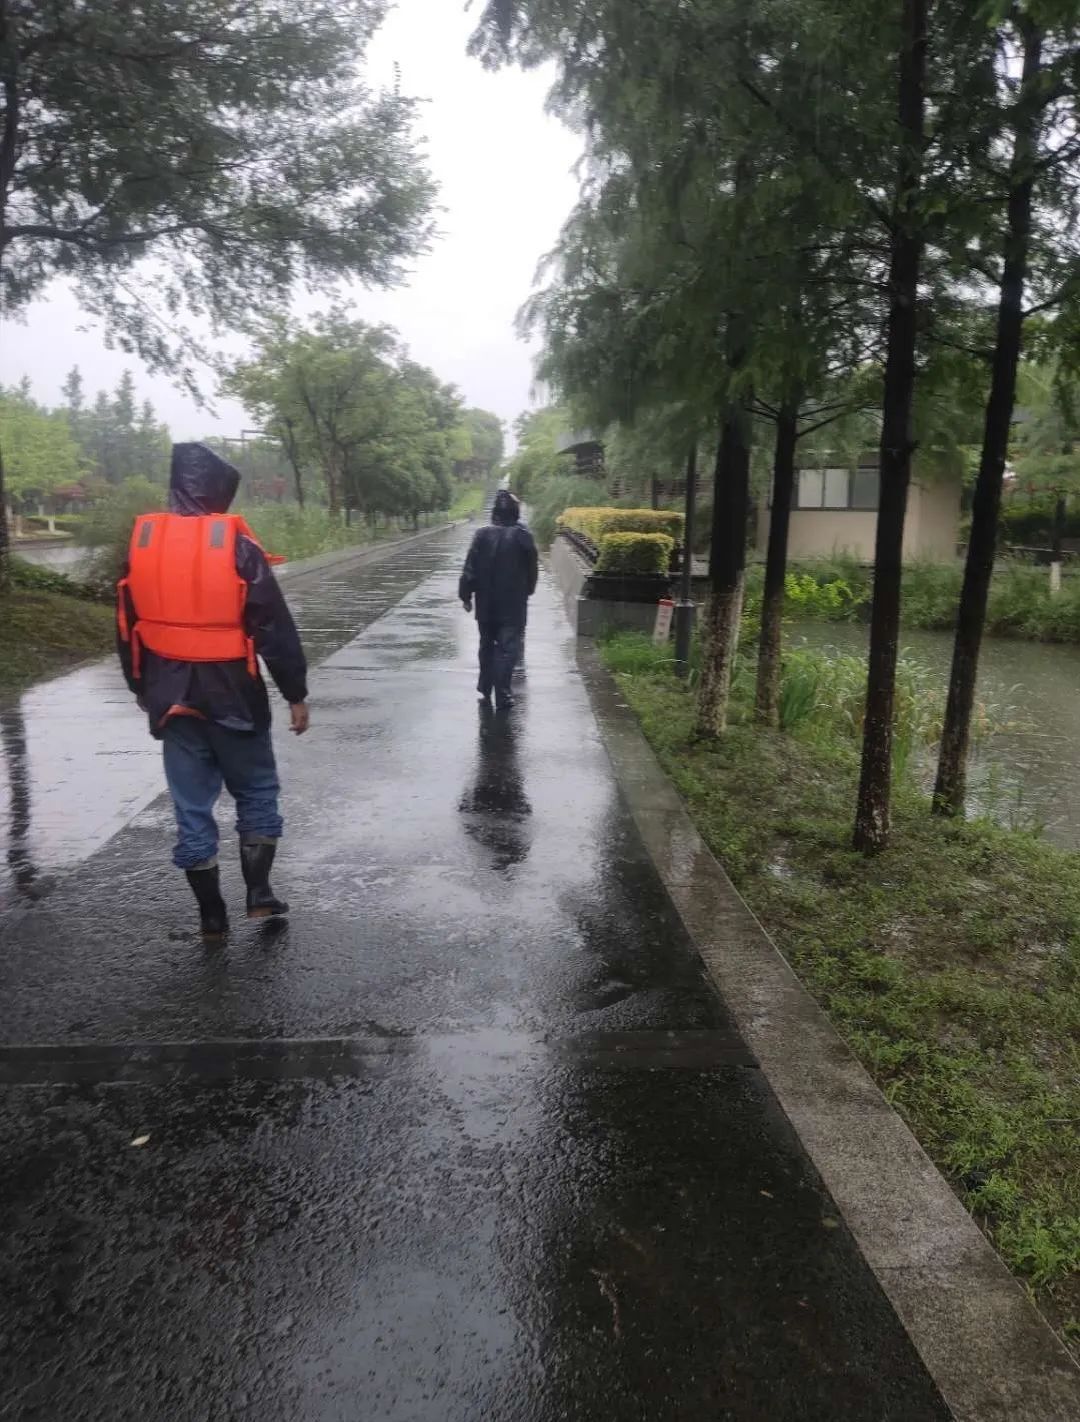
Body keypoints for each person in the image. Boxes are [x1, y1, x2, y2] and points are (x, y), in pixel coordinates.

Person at [117, 443, 310, 938]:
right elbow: (271, 625)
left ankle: (210, 916)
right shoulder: (237, 547)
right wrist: (295, 693)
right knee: (257, 788)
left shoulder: (143, 543)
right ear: (220, 491)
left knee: (191, 805)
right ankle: (259, 894)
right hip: (233, 696)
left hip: (170, 698)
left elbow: (126, 625)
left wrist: (140, 686)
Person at [458, 489, 538, 711]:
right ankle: (503, 692)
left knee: (486, 644)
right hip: (513, 605)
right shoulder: (523, 536)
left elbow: (469, 568)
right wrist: (528, 591)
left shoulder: (481, 535)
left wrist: (466, 595)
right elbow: (532, 570)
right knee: (507, 649)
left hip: (486, 605)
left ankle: (485, 686)